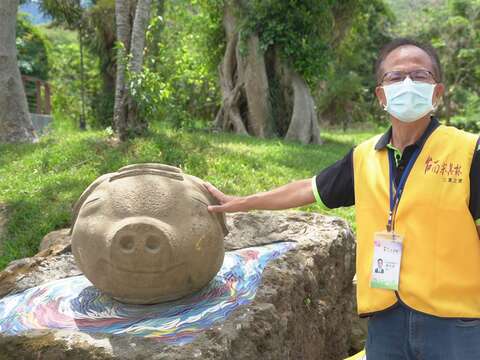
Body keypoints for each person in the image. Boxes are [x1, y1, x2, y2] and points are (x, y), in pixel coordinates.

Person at [204, 38, 480, 359]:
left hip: (454, 323)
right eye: (395, 77)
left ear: (437, 92)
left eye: (420, 76)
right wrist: (241, 202)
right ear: (381, 95)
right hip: (385, 315)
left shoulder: (469, 152)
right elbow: (308, 188)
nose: (407, 84)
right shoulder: (364, 157)